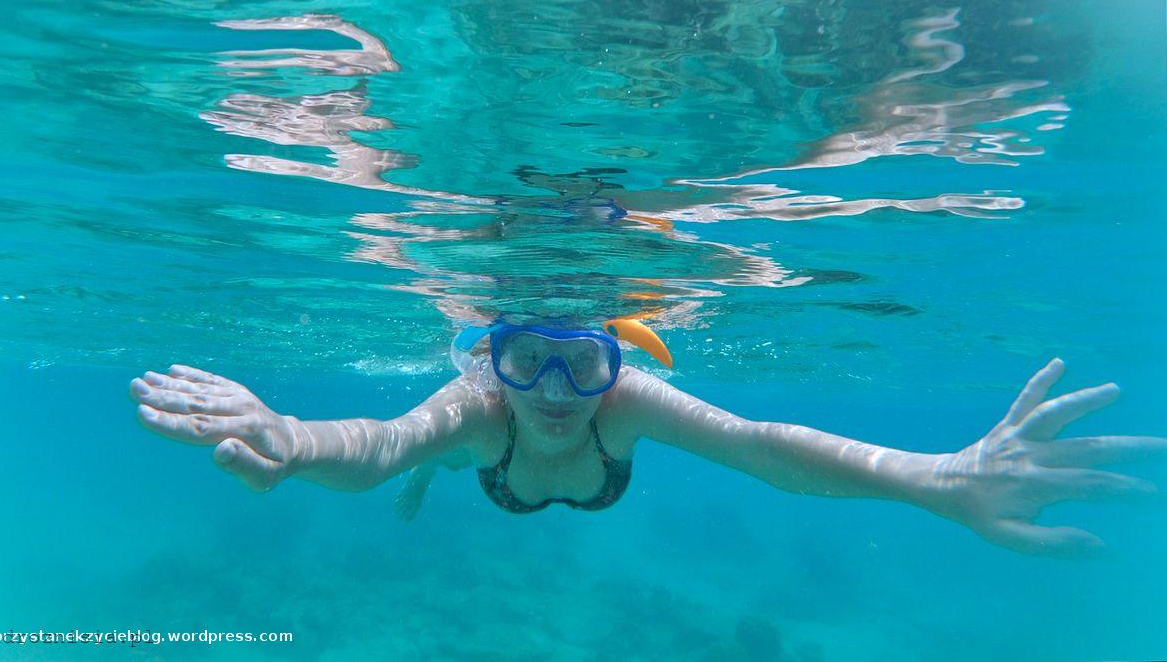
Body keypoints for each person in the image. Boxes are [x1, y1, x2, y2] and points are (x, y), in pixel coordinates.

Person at [129, 318, 1165, 558]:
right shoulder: (479, 406)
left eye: (584, 360)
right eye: (527, 357)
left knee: (431, 456)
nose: (556, 390)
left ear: (618, 362)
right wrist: (300, 440)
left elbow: (760, 443)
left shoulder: (622, 409)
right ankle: (438, 482)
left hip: (575, 481)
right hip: (479, 468)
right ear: (488, 358)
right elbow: (383, 441)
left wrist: (938, 477)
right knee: (429, 457)